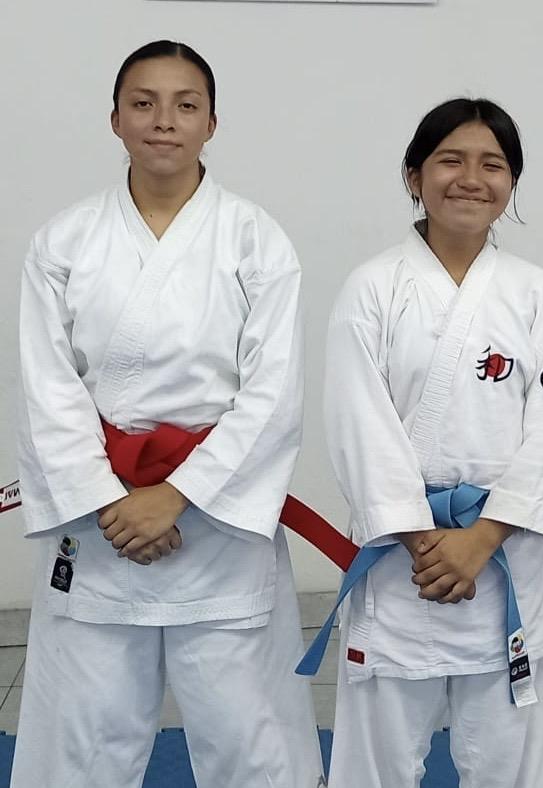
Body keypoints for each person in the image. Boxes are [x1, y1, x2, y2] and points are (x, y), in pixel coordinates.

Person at [13, 40, 324, 787]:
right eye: (144, 103)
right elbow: (48, 389)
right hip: (104, 523)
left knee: (247, 737)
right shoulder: (64, 241)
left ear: (211, 123)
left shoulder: (256, 239)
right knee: (83, 739)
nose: (164, 121)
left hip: (215, 517)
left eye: (185, 105)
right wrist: (109, 500)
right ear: (115, 118)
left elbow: (272, 395)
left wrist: (176, 496)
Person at [316, 98, 543, 788]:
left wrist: (482, 538)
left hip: (503, 555)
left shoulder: (538, 295)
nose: (471, 178)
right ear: (415, 176)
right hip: (403, 563)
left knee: (510, 767)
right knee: (374, 768)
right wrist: (421, 539)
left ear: (512, 183)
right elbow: (358, 423)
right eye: (450, 161)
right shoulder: (372, 288)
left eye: (492, 164)